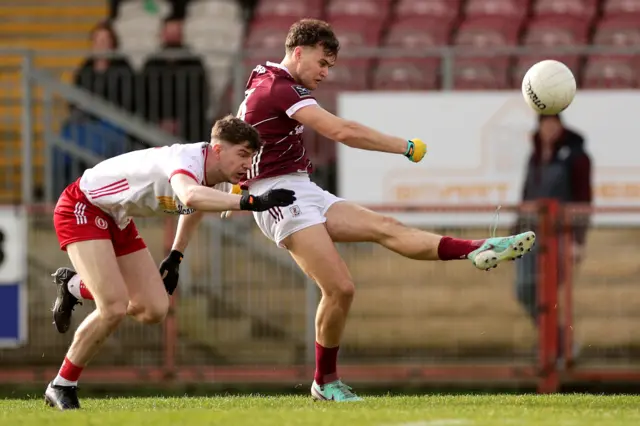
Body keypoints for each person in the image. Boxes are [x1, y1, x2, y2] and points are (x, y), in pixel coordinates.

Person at [229, 18, 537, 402]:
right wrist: (403, 146)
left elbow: (237, 128)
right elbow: (341, 131)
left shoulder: (264, 75)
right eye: (323, 63)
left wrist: (234, 181)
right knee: (340, 288)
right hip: (279, 198)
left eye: (330, 66)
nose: (326, 73)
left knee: (386, 227)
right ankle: (324, 383)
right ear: (298, 52)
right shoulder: (280, 88)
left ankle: (475, 248)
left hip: (300, 187)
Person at [44, 115, 296, 410]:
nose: (246, 164)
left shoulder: (216, 177)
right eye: (242, 154)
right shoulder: (186, 159)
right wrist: (251, 203)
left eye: (250, 157)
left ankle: (74, 286)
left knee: (154, 309)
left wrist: (176, 255)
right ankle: (62, 384)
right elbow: (190, 195)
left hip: (117, 217)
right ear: (217, 149)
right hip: (82, 206)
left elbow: (196, 205)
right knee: (112, 307)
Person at [512, 113, 592, 365]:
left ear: (560, 125)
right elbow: (525, 195)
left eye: (552, 123)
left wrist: (578, 242)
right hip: (528, 235)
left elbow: (583, 201)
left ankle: (554, 350)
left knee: (549, 294)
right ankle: (560, 343)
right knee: (524, 289)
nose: (548, 129)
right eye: (544, 124)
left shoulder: (577, 157)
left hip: (559, 236)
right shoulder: (534, 155)